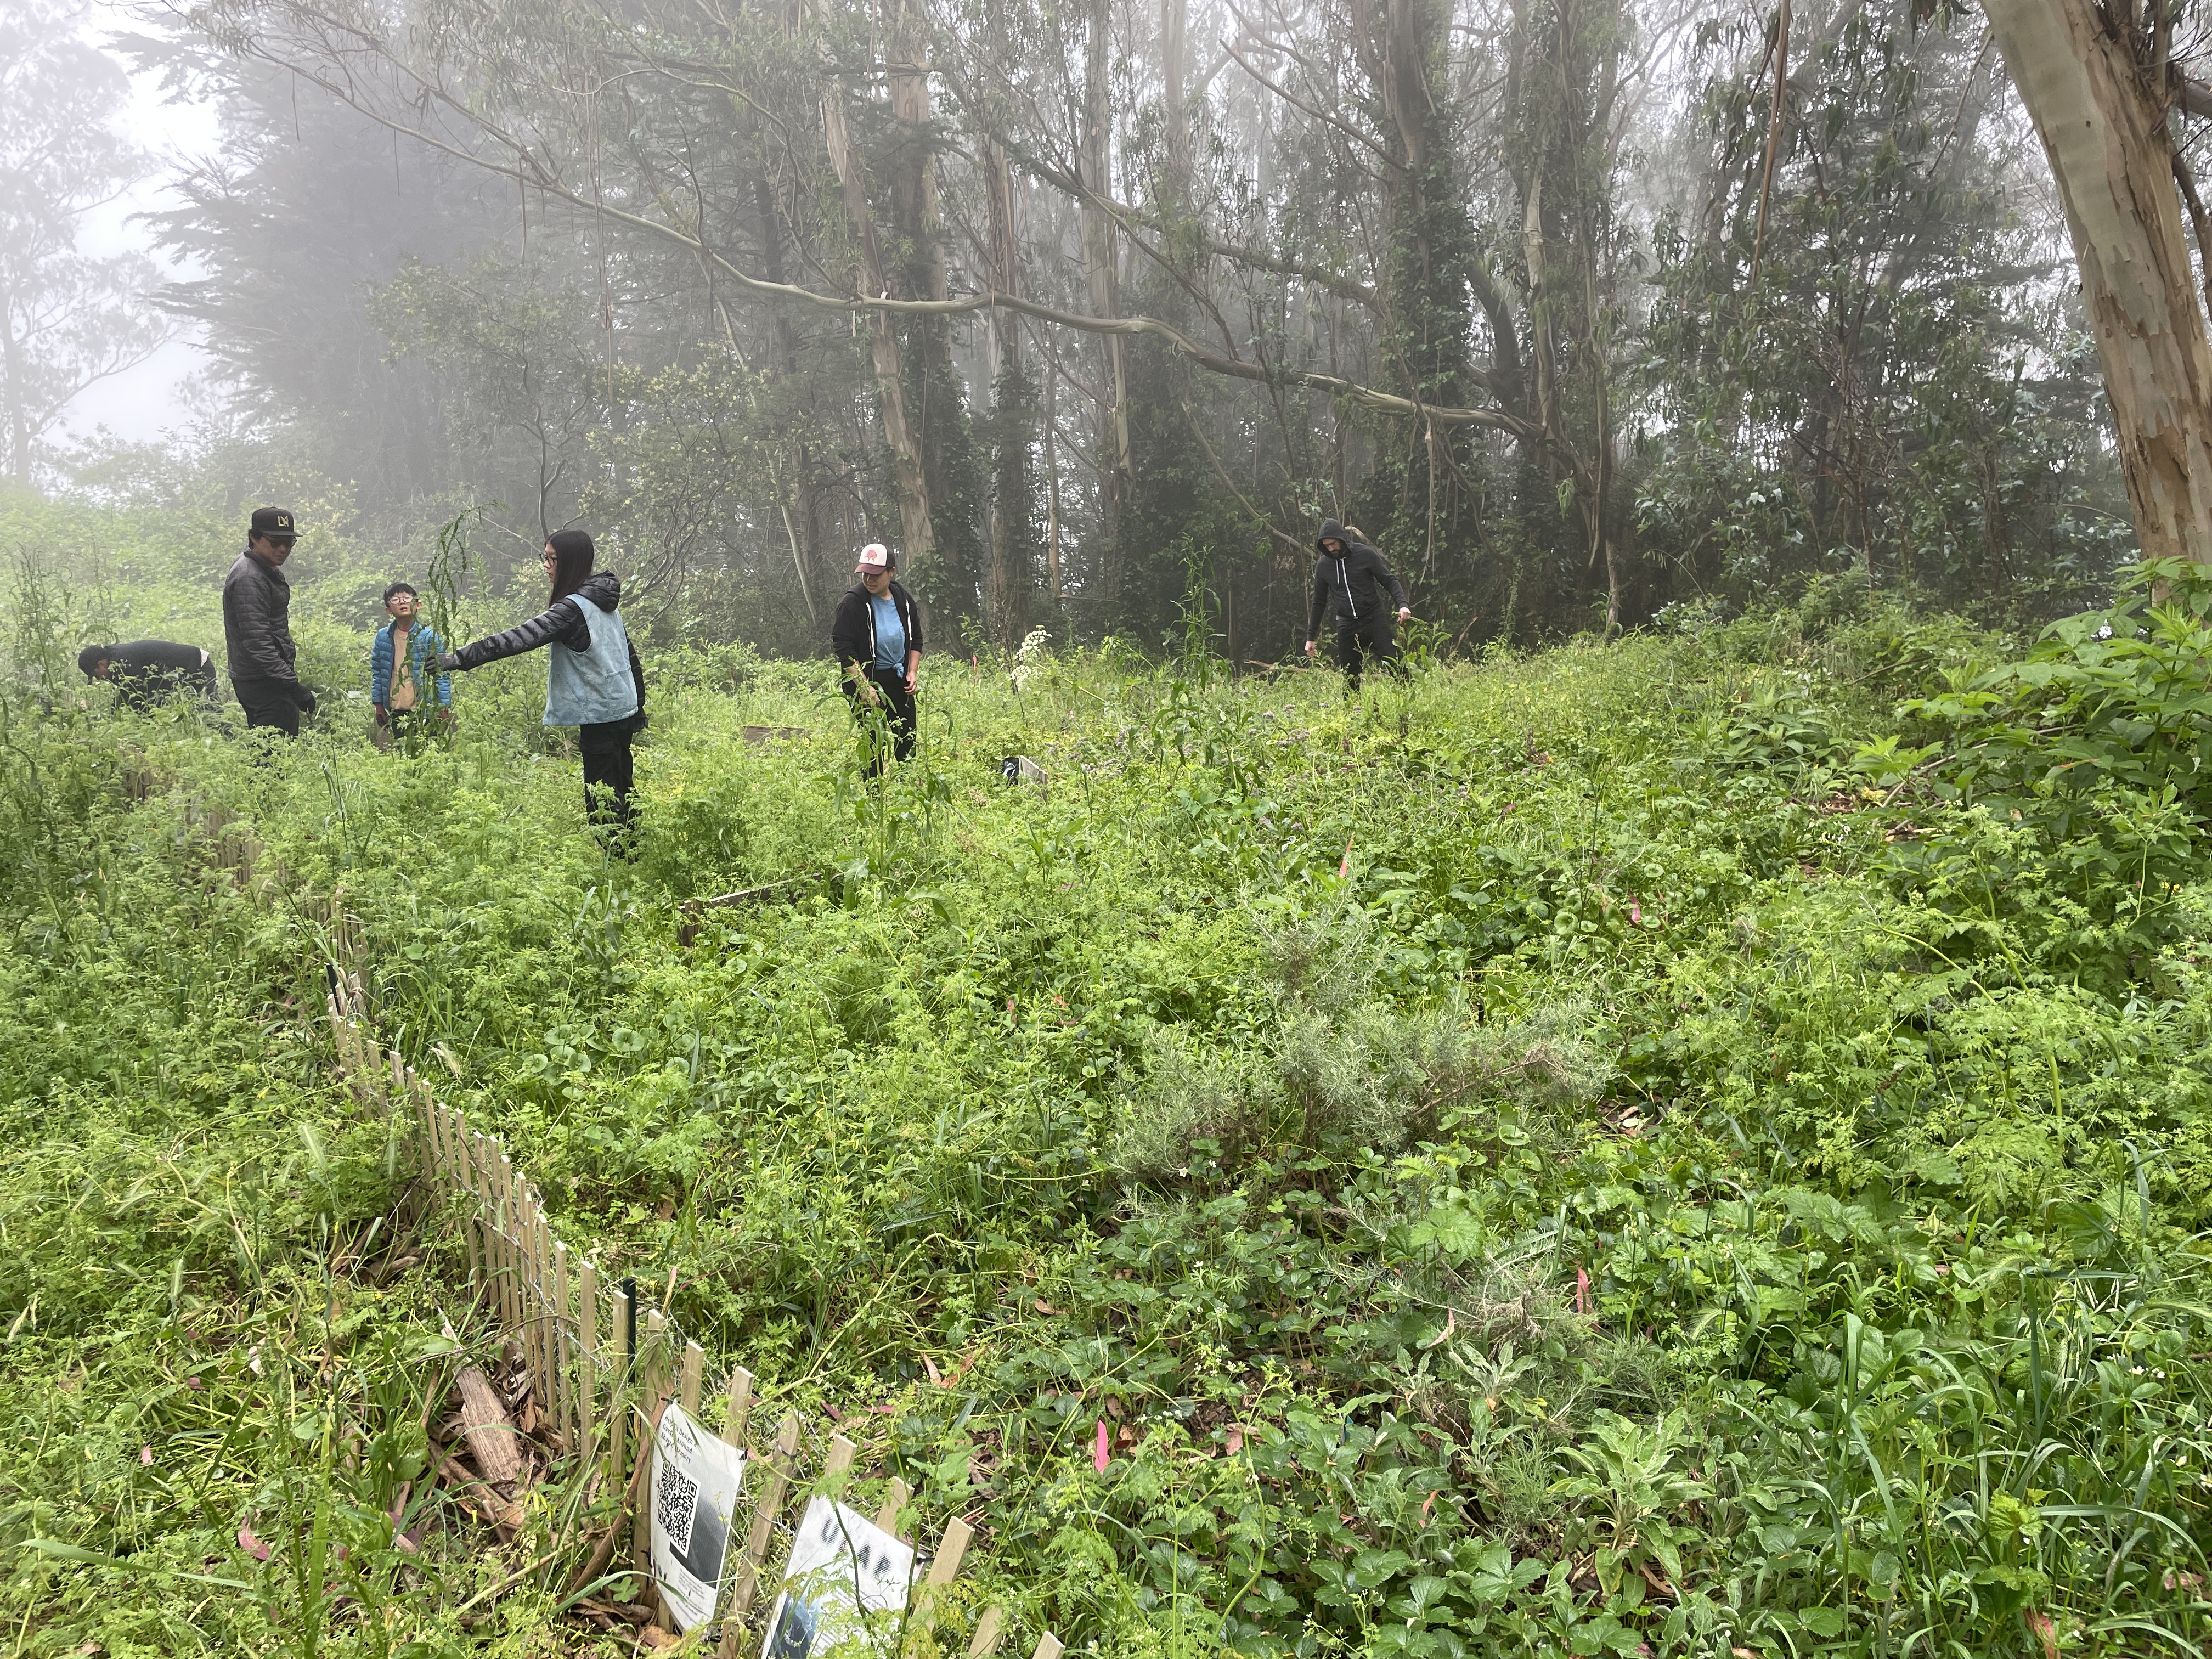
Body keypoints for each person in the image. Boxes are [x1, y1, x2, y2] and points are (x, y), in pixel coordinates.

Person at [435, 529, 645, 843]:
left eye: (552, 559)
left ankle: (620, 864)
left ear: (570, 562)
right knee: (622, 785)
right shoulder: (603, 599)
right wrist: (638, 705)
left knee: (601, 798)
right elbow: (629, 656)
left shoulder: (573, 608)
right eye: (544, 557)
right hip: (621, 708)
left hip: (601, 713)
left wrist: (459, 659)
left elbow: (519, 638)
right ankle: (635, 852)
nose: (546, 565)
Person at [830, 542, 923, 776]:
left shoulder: (902, 598)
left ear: (891, 572)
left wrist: (912, 672)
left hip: (898, 679)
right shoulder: (852, 602)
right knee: (873, 744)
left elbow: (916, 639)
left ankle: (906, 788)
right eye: (864, 573)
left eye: (875, 574)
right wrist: (863, 687)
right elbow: (844, 648)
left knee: (907, 737)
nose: (869, 579)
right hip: (868, 680)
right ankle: (874, 796)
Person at [223, 506, 316, 736]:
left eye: (289, 543)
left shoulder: (265, 568)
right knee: (273, 753)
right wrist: (292, 686)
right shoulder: (249, 578)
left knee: (276, 748)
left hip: (267, 677)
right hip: (261, 680)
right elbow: (258, 642)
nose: (283, 549)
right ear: (253, 538)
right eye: (275, 542)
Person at [1303, 518, 1411, 691]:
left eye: (1333, 544)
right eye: (1326, 546)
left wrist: (1402, 605)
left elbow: (1389, 581)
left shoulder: (1365, 554)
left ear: (1341, 538)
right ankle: (1352, 713)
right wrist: (1311, 637)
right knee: (1350, 676)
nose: (1330, 549)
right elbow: (1319, 602)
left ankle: (1411, 705)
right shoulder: (1323, 566)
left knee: (1396, 664)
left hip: (1374, 620)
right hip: (1347, 625)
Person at [369, 582, 453, 751]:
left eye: (407, 598)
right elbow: (378, 672)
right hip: (396, 708)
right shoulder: (382, 637)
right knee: (401, 754)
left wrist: (442, 706)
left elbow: (441, 674)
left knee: (429, 753)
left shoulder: (430, 637)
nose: (402, 602)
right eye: (395, 599)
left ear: (418, 605)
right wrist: (378, 704)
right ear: (388, 610)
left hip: (425, 708)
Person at [77, 640, 217, 712]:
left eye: (95, 675)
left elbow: (137, 697)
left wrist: (112, 717)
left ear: (101, 665)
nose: (98, 679)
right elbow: (127, 694)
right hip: (181, 673)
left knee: (207, 710)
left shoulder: (122, 662)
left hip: (197, 666)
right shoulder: (115, 658)